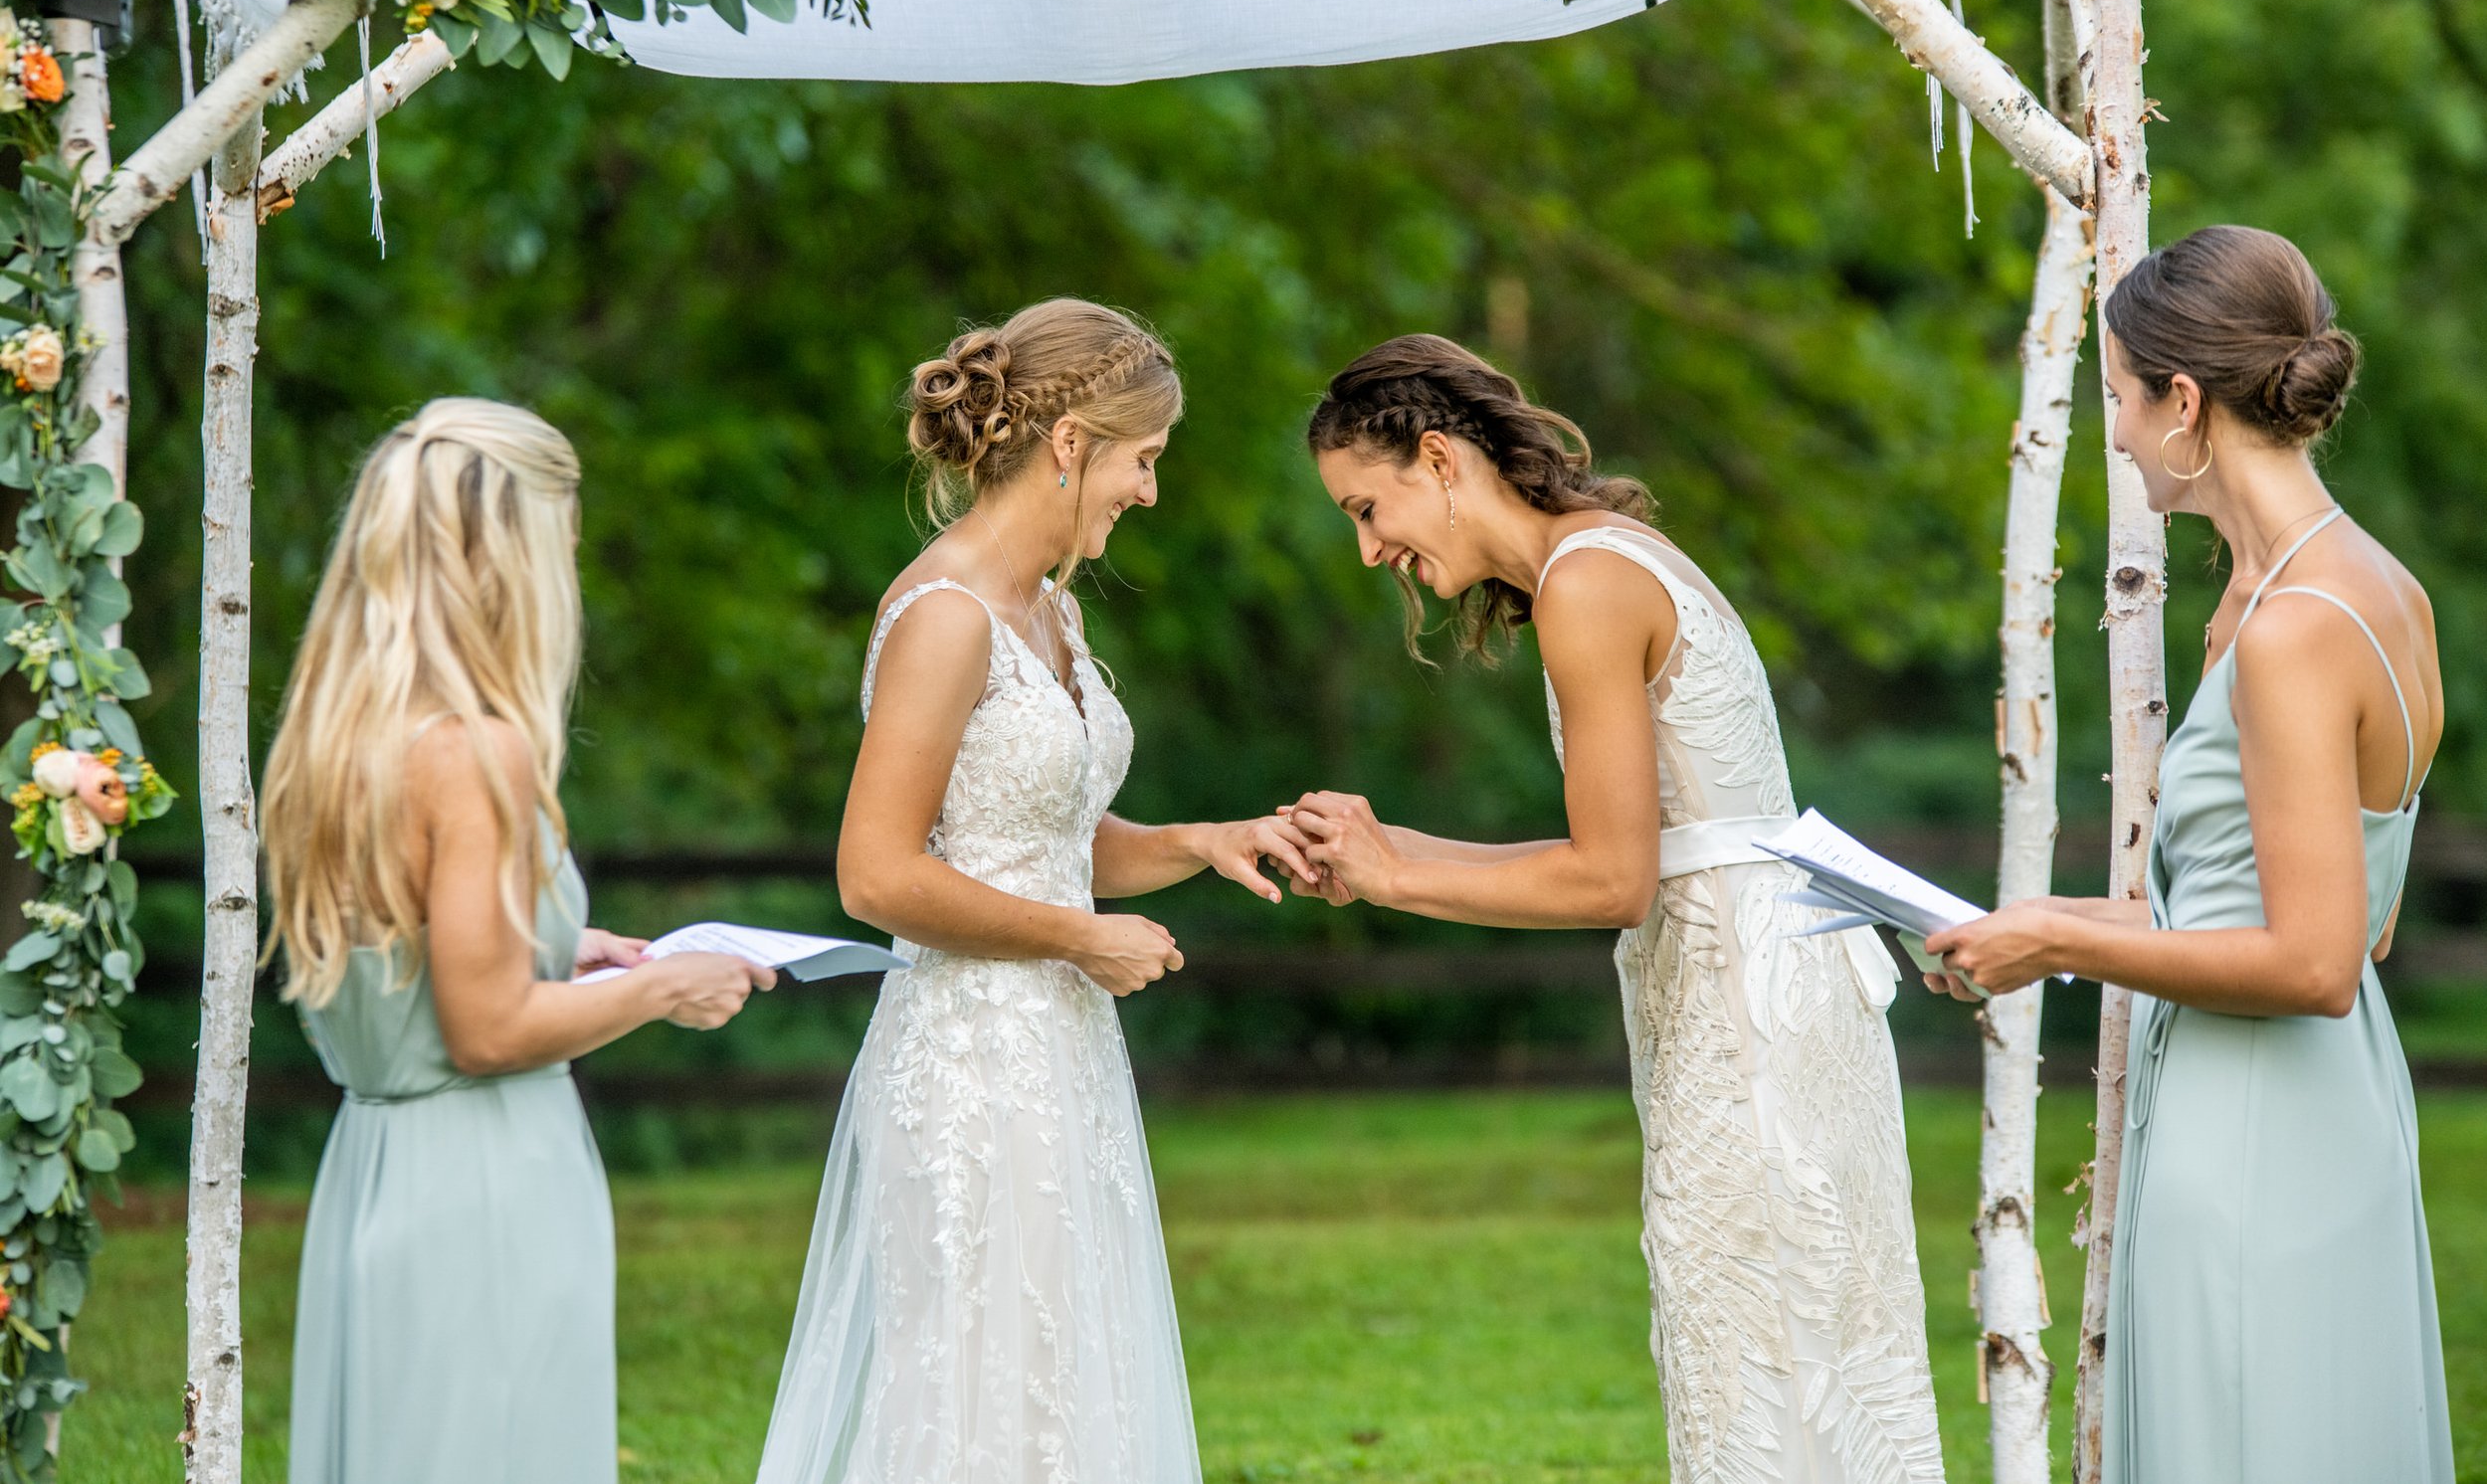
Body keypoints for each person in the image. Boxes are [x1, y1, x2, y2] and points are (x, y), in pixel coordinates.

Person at [1285, 335, 1945, 1484]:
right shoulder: (1604, 557)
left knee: (1756, 1339)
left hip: (1744, 1015)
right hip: (1758, 981)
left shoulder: (1585, 585)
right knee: (1799, 1339)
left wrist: (1400, 878)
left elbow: (1612, 878)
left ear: (1438, 459)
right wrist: (1383, 848)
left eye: (1366, 504)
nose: (1365, 547)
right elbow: (1668, 845)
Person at [1925, 226, 2454, 1484]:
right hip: (2322, 1095)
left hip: (2261, 1118)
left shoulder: (2293, 629)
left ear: (2182, 400)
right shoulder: (2366, 587)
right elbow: (2357, 917)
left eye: (2114, 396)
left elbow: (2319, 957)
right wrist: (2047, 909)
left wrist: (2054, 941)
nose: (2109, 432)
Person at [756, 299, 1315, 1484]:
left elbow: (1045, 836)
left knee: (1064, 1386)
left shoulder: (1050, 610)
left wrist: (1201, 838)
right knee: (981, 1393)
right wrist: (1078, 936)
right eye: (1143, 461)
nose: (1149, 492)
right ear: (1071, 447)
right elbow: (877, 872)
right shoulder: (946, 617)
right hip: (969, 1058)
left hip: (1058, 1050)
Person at [266, 399, 773, 1484]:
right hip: (484, 1186)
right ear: (513, 562)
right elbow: (489, 1026)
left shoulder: (339, 739)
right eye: (566, 551)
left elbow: (410, 955)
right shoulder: (478, 752)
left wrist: (564, 941)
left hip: (375, 1171)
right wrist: (665, 985)